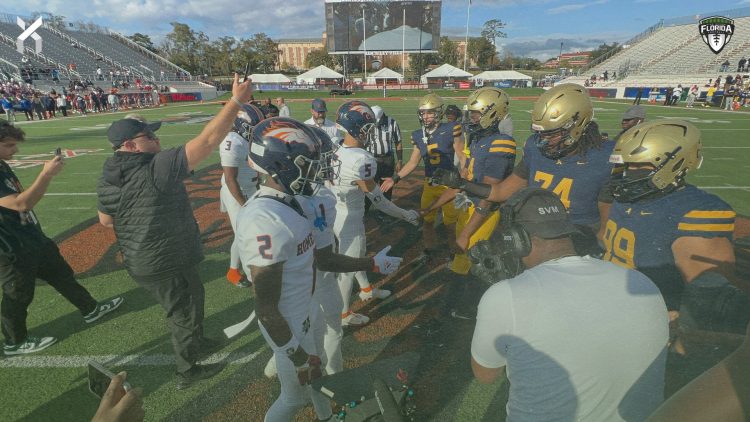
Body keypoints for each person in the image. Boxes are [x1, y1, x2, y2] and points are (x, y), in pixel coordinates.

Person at [96, 74, 253, 389]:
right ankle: (187, 371)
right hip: (165, 259)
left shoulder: (109, 172)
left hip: (147, 260)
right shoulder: (155, 166)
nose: (156, 140)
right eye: (148, 137)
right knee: (182, 313)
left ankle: (198, 343)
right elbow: (208, 140)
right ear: (129, 145)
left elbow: (105, 220)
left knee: (192, 301)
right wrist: (236, 102)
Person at [471, 187, 669, 422]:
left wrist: (501, 296)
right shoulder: (640, 282)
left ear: (517, 239)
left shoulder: (504, 297)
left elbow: (485, 374)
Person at [260, 124, 403, 379]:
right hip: (313, 279)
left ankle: (278, 365)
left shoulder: (271, 201)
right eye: (316, 159)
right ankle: (335, 377)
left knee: (299, 328)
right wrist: (370, 264)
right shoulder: (318, 199)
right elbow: (325, 259)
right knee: (328, 329)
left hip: (295, 280)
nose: (325, 164)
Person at [433, 83, 613, 255]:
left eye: (550, 133)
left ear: (577, 125)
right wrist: (462, 184)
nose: (543, 140)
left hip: (577, 244)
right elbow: (501, 192)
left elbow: (608, 226)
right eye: (540, 133)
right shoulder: (535, 148)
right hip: (535, 237)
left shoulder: (606, 158)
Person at [604, 119, 748, 333]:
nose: (629, 173)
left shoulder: (695, 212)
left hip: (648, 321)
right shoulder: (631, 196)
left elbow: (706, 299)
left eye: (640, 166)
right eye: (625, 165)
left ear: (675, 164)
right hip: (614, 302)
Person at [0, 122, 123, 355]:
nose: (14, 150)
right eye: (8, 145)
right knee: (18, 294)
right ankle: (14, 341)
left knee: (61, 275)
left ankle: (90, 309)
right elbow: (20, 203)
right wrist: (46, 175)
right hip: (11, 246)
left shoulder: (2, 164)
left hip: (30, 236)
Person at [421, 87, 516, 319]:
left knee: (469, 260)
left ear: (492, 114)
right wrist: (432, 207)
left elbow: (489, 194)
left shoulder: (501, 143)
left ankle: (465, 308)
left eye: (475, 114)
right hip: (470, 205)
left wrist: (465, 233)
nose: (470, 119)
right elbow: (463, 184)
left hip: (484, 211)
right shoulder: (479, 141)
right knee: (462, 259)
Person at [331, 101, 419, 326]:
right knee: (348, 269)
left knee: (357, 256)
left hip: (336, 212)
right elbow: (379, 200)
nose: (372, 131)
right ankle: (343, 315)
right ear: (358, 128)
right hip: (350, 217)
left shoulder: (336, 146)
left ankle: (366, 290)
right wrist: (404, 214)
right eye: (369, 127)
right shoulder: (361, 159)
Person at [381, 94, 464, 260]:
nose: (425, 116)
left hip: (448, 184)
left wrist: (464, 179)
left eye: (430, 112)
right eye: (423, 113)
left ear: (439, 112)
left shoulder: (451, 129)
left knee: (450, 224)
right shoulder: (418, 135)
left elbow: (463, 156)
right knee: (427, 221)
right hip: (429, 184)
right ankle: (429, 249)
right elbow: (413, 162)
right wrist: (395, 178)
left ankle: (454, 253)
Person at [219, 104, 264, 288]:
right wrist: (244, 205)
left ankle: (232, 270)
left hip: (250, 187)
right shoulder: (231, 141)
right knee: (245, 235)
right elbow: (230, 179)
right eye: (251, 126)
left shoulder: (245, 138)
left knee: (242, 234)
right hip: (237, 190)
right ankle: (253, 278)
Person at [365, 105, 402, 209]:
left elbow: (398, 142)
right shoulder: (367, 123)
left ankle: (384, 212)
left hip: (387, 160)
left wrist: (399, 160)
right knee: (369, 186)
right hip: (371, 159)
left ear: (382, 116)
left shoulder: (392, 123)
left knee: (386, 187)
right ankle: (365, 210)